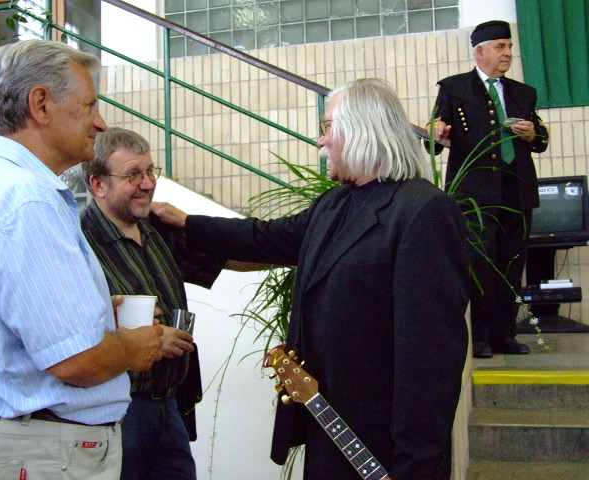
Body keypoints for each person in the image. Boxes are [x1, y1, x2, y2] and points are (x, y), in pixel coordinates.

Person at [154, 78, 470, 480]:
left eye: (327, 127)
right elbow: (263, 238)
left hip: (384, 446)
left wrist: (416, 465)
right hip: (328, 428)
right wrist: (185, 222)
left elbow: (429, 361)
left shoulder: (423, 211)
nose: (320, 141)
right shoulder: (334, 205)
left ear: (361, 129)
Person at [0, 40, 169, 479]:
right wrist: (135, 346)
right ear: (41, 104)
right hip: (42, 452)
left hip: (32, 445)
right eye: (89, 105)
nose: (100, 122)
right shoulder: (25, 200)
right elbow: (76, 361)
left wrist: (92, 314)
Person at [80, 127, 235, 480]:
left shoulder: (158, 228)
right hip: (116, 415)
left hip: (169, 406)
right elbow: (64, 334)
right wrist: (141, 340)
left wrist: (296, 248)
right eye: (133, 175)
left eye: (150, 171)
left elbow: (229, 256)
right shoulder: (79, 243)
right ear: (98, 184)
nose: (148, 184)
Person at [426, 20, 549, 358]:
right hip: (474, 197)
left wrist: (531, 134)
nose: (507, 53)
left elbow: (540, 140)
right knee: (478, 265)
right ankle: (478, 336)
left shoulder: (524, 93)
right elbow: (434, 139)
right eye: (500, 47)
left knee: (512, 265)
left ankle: (504, 335)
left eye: (509, 47)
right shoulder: (454, 88)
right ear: (480, 52)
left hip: (517, 193)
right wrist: (435, 131)